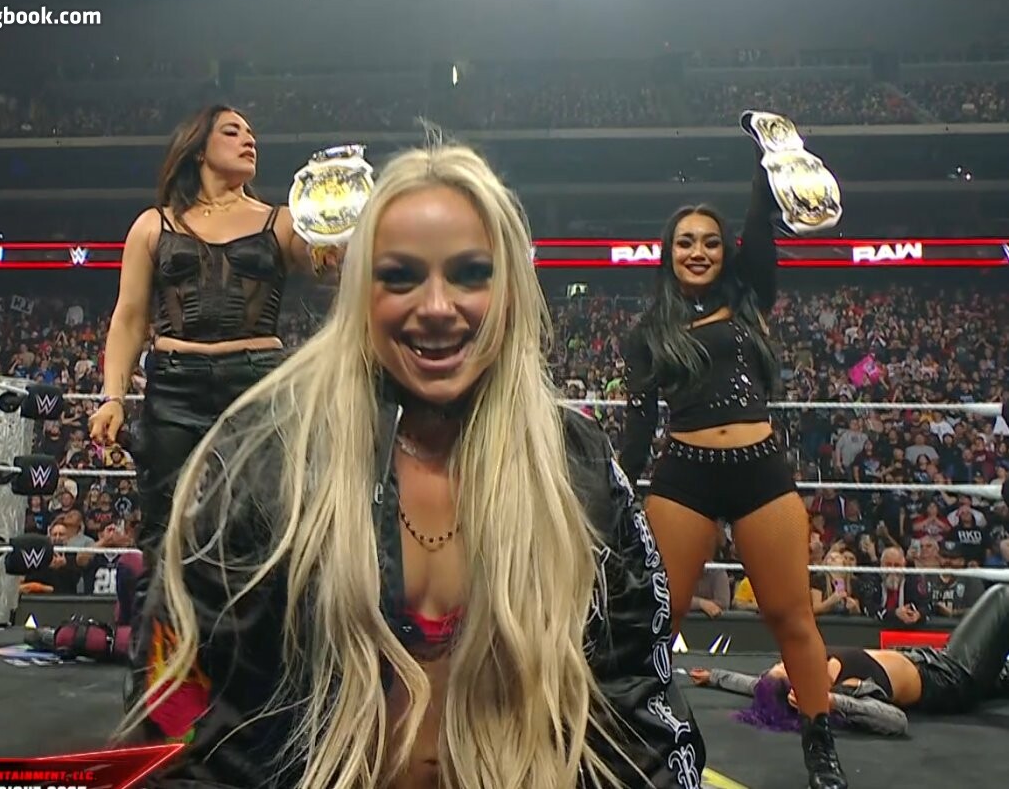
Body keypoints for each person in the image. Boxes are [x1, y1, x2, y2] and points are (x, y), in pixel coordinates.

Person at [118, 143, 706, 789]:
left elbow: (639, 710)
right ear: (361, 294)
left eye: (470, 274)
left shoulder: (576, 468)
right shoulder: (263, 460)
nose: (436, 306)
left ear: (510, 291)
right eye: (400, 276)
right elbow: (179, 717)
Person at [620, 144, 846, 787]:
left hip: (759, 471)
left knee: (791, 617)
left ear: (726, 252)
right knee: (661, 623)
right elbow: (638, 431)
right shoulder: (647, 332)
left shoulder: (751, 298)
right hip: (684, 476)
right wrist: (613, 496)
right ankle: (647, 742)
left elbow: (760, 227)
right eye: (686, 242)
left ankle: (821, 751)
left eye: (711, 242)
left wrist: (767, 160)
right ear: (668, 252)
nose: (698, 252)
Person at [88, 104, 337, 557]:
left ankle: (255, 608)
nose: (249, 140)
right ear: (199, 149)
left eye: (251, 133)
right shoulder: (154, 224)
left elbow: (327, 268)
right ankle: (168, 608)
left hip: (256, 385)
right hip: (175, 387)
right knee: (165, 529)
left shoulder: (282, 220)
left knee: (260, 525)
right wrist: (113, 397)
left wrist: (334, 229)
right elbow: (129, 317)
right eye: (232, 131)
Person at [689, 583, 1009, 735]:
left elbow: (754, 686)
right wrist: (831, 702)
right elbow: (896, 721)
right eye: (784, 668)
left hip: (928, 659)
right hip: (954, 675)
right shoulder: (847, 689)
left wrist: (715, 676)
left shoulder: (808, 673)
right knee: (1002, 596)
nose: (782, 662)